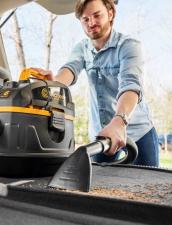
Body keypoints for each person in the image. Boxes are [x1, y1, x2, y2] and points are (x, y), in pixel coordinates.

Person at [34, 0, 159, 166]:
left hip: (138, 132)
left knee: (147, 187)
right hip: (102, 135)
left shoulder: (129, 46)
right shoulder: (82, 48)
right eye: (85, 19)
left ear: (110, 13)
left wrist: (119, 122)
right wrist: (55, 83)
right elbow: (71, 69)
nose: (91, 23)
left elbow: (131, 86)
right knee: (98, 187)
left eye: (96, 15)